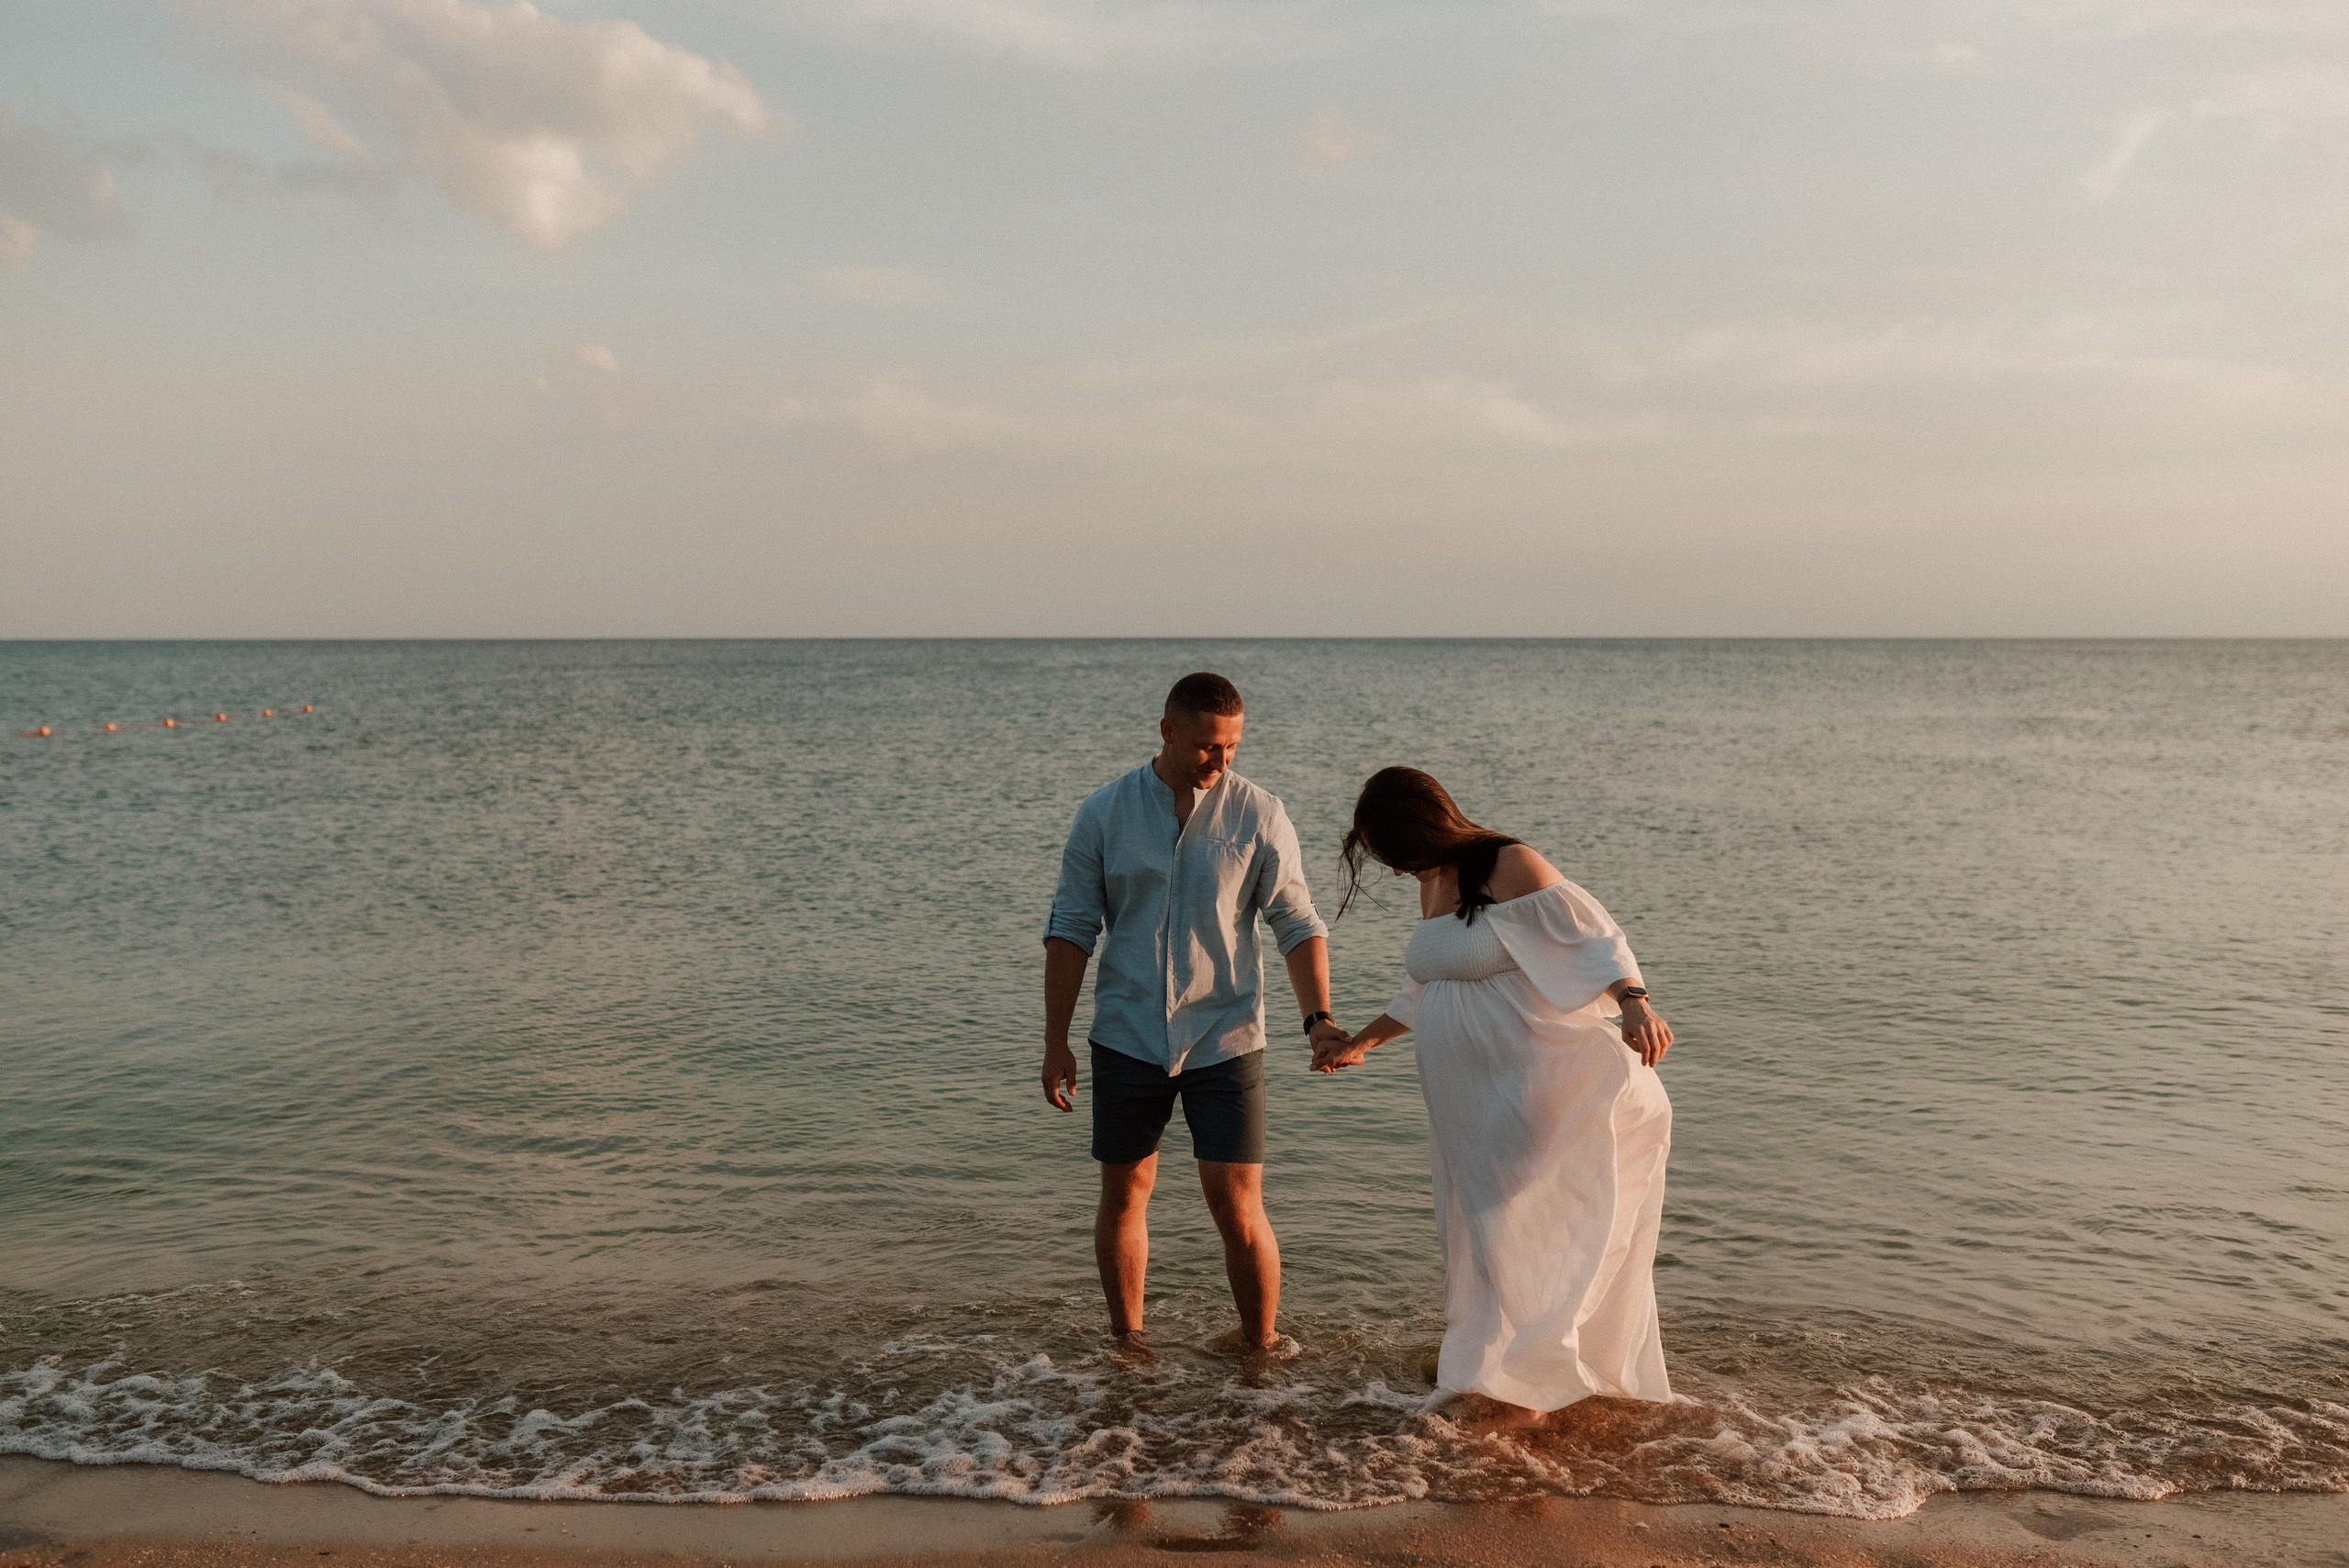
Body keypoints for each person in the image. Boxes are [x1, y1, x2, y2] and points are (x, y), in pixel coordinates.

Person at [1312, 766, 1675, 1430]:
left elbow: (1595, 938)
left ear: (1422, 827)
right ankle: (1499, 1368)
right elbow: (1426, 989)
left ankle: (1529, 1390)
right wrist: (1360, 1041)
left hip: (1526, 1079)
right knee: (1478, 1232)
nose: (1395, 870)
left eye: (1397, 852)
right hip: (1464, 1099)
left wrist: (1634, 1003)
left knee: (1514, 1227)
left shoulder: (1506, 863)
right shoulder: (1432, 882)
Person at [1040, 673, 1350, 1354]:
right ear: (1168, 731)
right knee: (1125, 1195)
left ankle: (1260, 1351)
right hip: (1126, 1032)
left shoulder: (1260, 814)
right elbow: (1070, 927)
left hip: (1226, 1035)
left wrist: (1318, 1018)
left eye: (1233, 746)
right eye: (1210, 746)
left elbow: (1296, 922)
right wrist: (1055, 1039)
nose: (1222, 759)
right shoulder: (1104, 813)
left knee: (1237, 1204)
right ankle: (1129, 1347)